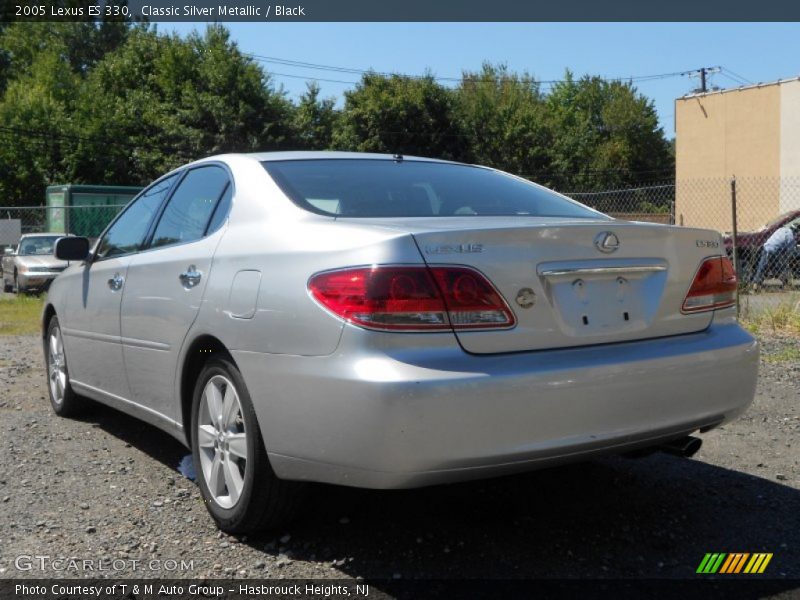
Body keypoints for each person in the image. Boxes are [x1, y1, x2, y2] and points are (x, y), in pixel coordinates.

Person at [751, 223, 799, 291]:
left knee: (762, 267)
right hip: (774, 251)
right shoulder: (790, 235)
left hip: (766, 247)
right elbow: (789, 252)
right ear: (796, 231)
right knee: (780, 268)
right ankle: (786, 284)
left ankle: (756, 284)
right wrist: (787, 260)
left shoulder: (781, 229)